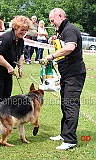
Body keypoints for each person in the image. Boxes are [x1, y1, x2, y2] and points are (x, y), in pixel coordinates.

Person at [0, 15, 30, 133]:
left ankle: (1, 121)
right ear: (15, 28)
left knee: (5, 98)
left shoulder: (21, 41)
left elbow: (20, 55)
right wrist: (8, 66)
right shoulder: (6, 38)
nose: (23, 32)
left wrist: (20, 68)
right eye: (21, 30)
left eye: (25, 30)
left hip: (6, 72)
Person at [45, 8, 86, 150]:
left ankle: (70, 140)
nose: (52, 23)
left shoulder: (69, 29)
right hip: (66, 74)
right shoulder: (62, 31)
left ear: (60, 16)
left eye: (53, 20)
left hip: (74, 74)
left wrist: (52, 56)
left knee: (70, 105)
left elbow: (70, 47)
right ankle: (64, 134)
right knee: (64, 104)